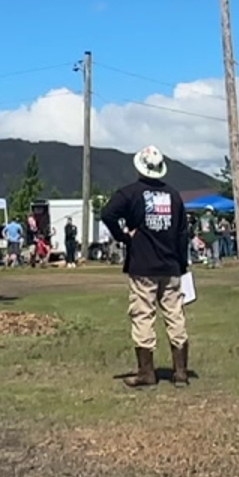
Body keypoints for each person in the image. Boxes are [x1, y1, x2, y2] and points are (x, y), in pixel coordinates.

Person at [99, 145, 191, 389]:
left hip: (143, 265)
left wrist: (124, 237)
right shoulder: (174, 195)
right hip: (171, 265)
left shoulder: (129, 193)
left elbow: (107, 213)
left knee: (143, 315)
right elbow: (183, 232)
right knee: (175, 314)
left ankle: (146, 373)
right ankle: (180, 372)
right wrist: (182, 264)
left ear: (139, 166)